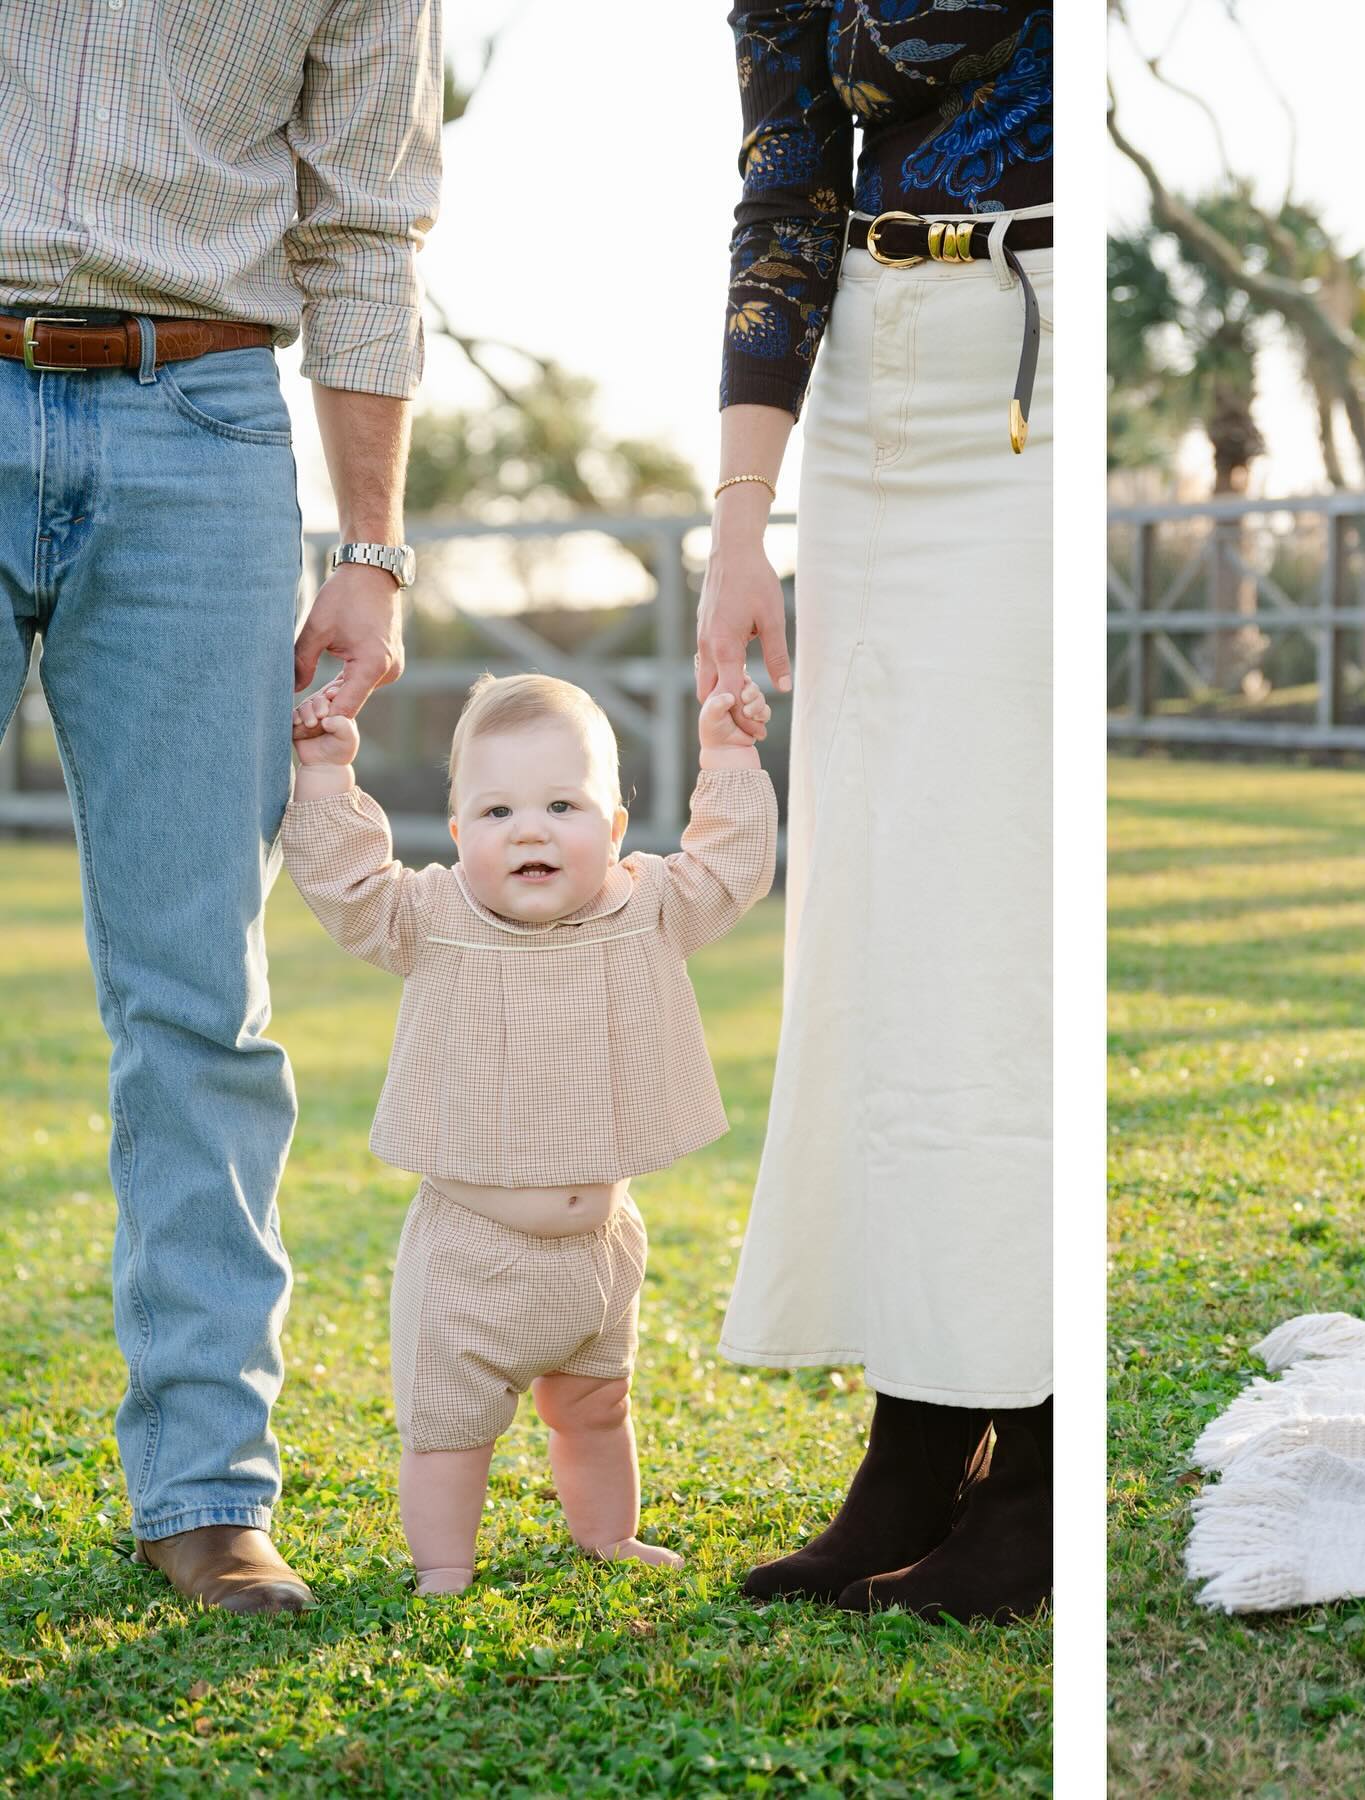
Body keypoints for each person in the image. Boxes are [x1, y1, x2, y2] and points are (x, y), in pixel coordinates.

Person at [0, 3, 442, 1611]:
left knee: (198, 998)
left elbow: (366, 229)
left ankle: (204, 1487)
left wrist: (373, 553)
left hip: (201, 429)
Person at [698, 1, 1054, 1622]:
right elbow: (786, 176)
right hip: (869, 393)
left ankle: (1037, 1454)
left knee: (1000, 939)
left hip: (1042, 365)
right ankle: (920, 1435)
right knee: (887, 943)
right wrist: (740, 519)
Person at [279, 672, 777, 1593]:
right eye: (497, 810)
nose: (531, 829)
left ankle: (608, 1537)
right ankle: (443, 1566)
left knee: (597, 1406)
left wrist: (730, 753)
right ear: (461, 834)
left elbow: (731, 864)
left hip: (601, 1250)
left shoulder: (650, 909)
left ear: (616, 828)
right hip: (471, 1257)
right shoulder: (430, 919)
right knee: (450, 1430)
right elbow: (348, 886)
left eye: (563, 804)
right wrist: (325, 775)